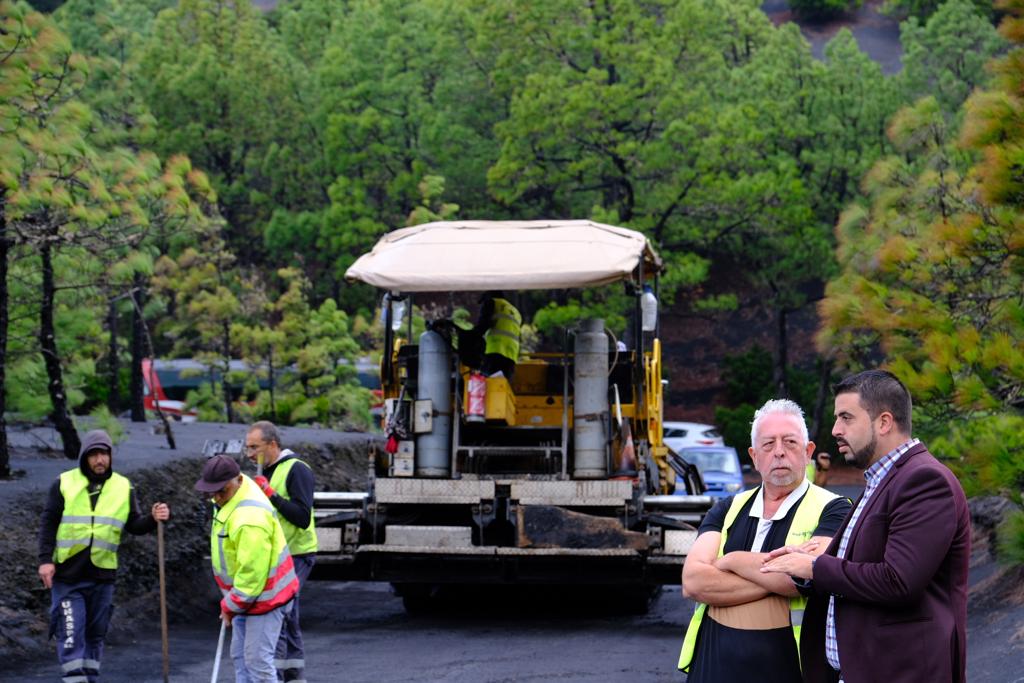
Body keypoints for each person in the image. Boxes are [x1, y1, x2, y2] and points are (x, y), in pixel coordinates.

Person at [762, 369, 970, 683]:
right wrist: (808, 564)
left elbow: (898, 581)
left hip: (902, 672)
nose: (835, 429)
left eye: (846, 417)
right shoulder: (883, 479)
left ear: (884, 422)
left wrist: (817, 567)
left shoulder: (924, 480)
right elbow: (864, 564)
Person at [677, 399, 852, 682]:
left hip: (793, 670)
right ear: (754, 455)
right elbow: (694, 582)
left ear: (808, 452)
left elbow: (803, 578)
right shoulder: (727, 508)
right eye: (768, 444)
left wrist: (730, 561)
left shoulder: (835, 508)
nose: (779, 452)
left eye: (790, 442)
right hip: (713, 668)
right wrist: (784, 572)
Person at [37, 429, 170, 683]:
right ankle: (75, 680)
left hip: (102, 575)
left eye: (104, 454)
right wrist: (45, 560)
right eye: (94, 455)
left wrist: (154, 519)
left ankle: (90, 677)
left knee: (96, 633)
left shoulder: (123, 486)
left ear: (110, 456)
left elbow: (134, 525)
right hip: (68, 575)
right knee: (71, 631)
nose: (100, 460)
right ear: (84, 457)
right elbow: (48, 523)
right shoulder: (64, 483)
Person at [195, 454, 299, 683]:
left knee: (257, 663)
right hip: (247, 596)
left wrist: (230, 605)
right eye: (213, 492)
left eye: (222, 491)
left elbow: (252, 574)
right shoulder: (234, 494)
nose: (217, 498)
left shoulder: (249, 518)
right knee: (241, 657)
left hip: (265, 597)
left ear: (238, 480)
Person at [245, 421, 317, 683]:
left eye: (255, 447)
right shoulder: (265, 472)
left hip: (297, 554)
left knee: (282, 613)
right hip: (275, 556)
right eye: (247, 448)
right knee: (287, 616)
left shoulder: (297, 470)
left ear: (272, 444)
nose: (250, 454)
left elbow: (301, 516)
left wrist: (270, 493)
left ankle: (281, 675)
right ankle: (289, 676)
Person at [472, 290, 521, 378]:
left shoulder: (492, 302)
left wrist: (469, 338)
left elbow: (483, 325)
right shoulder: (515, 312)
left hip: (495, 351)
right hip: (511, 356)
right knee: (503, 388)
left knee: (489, 386)